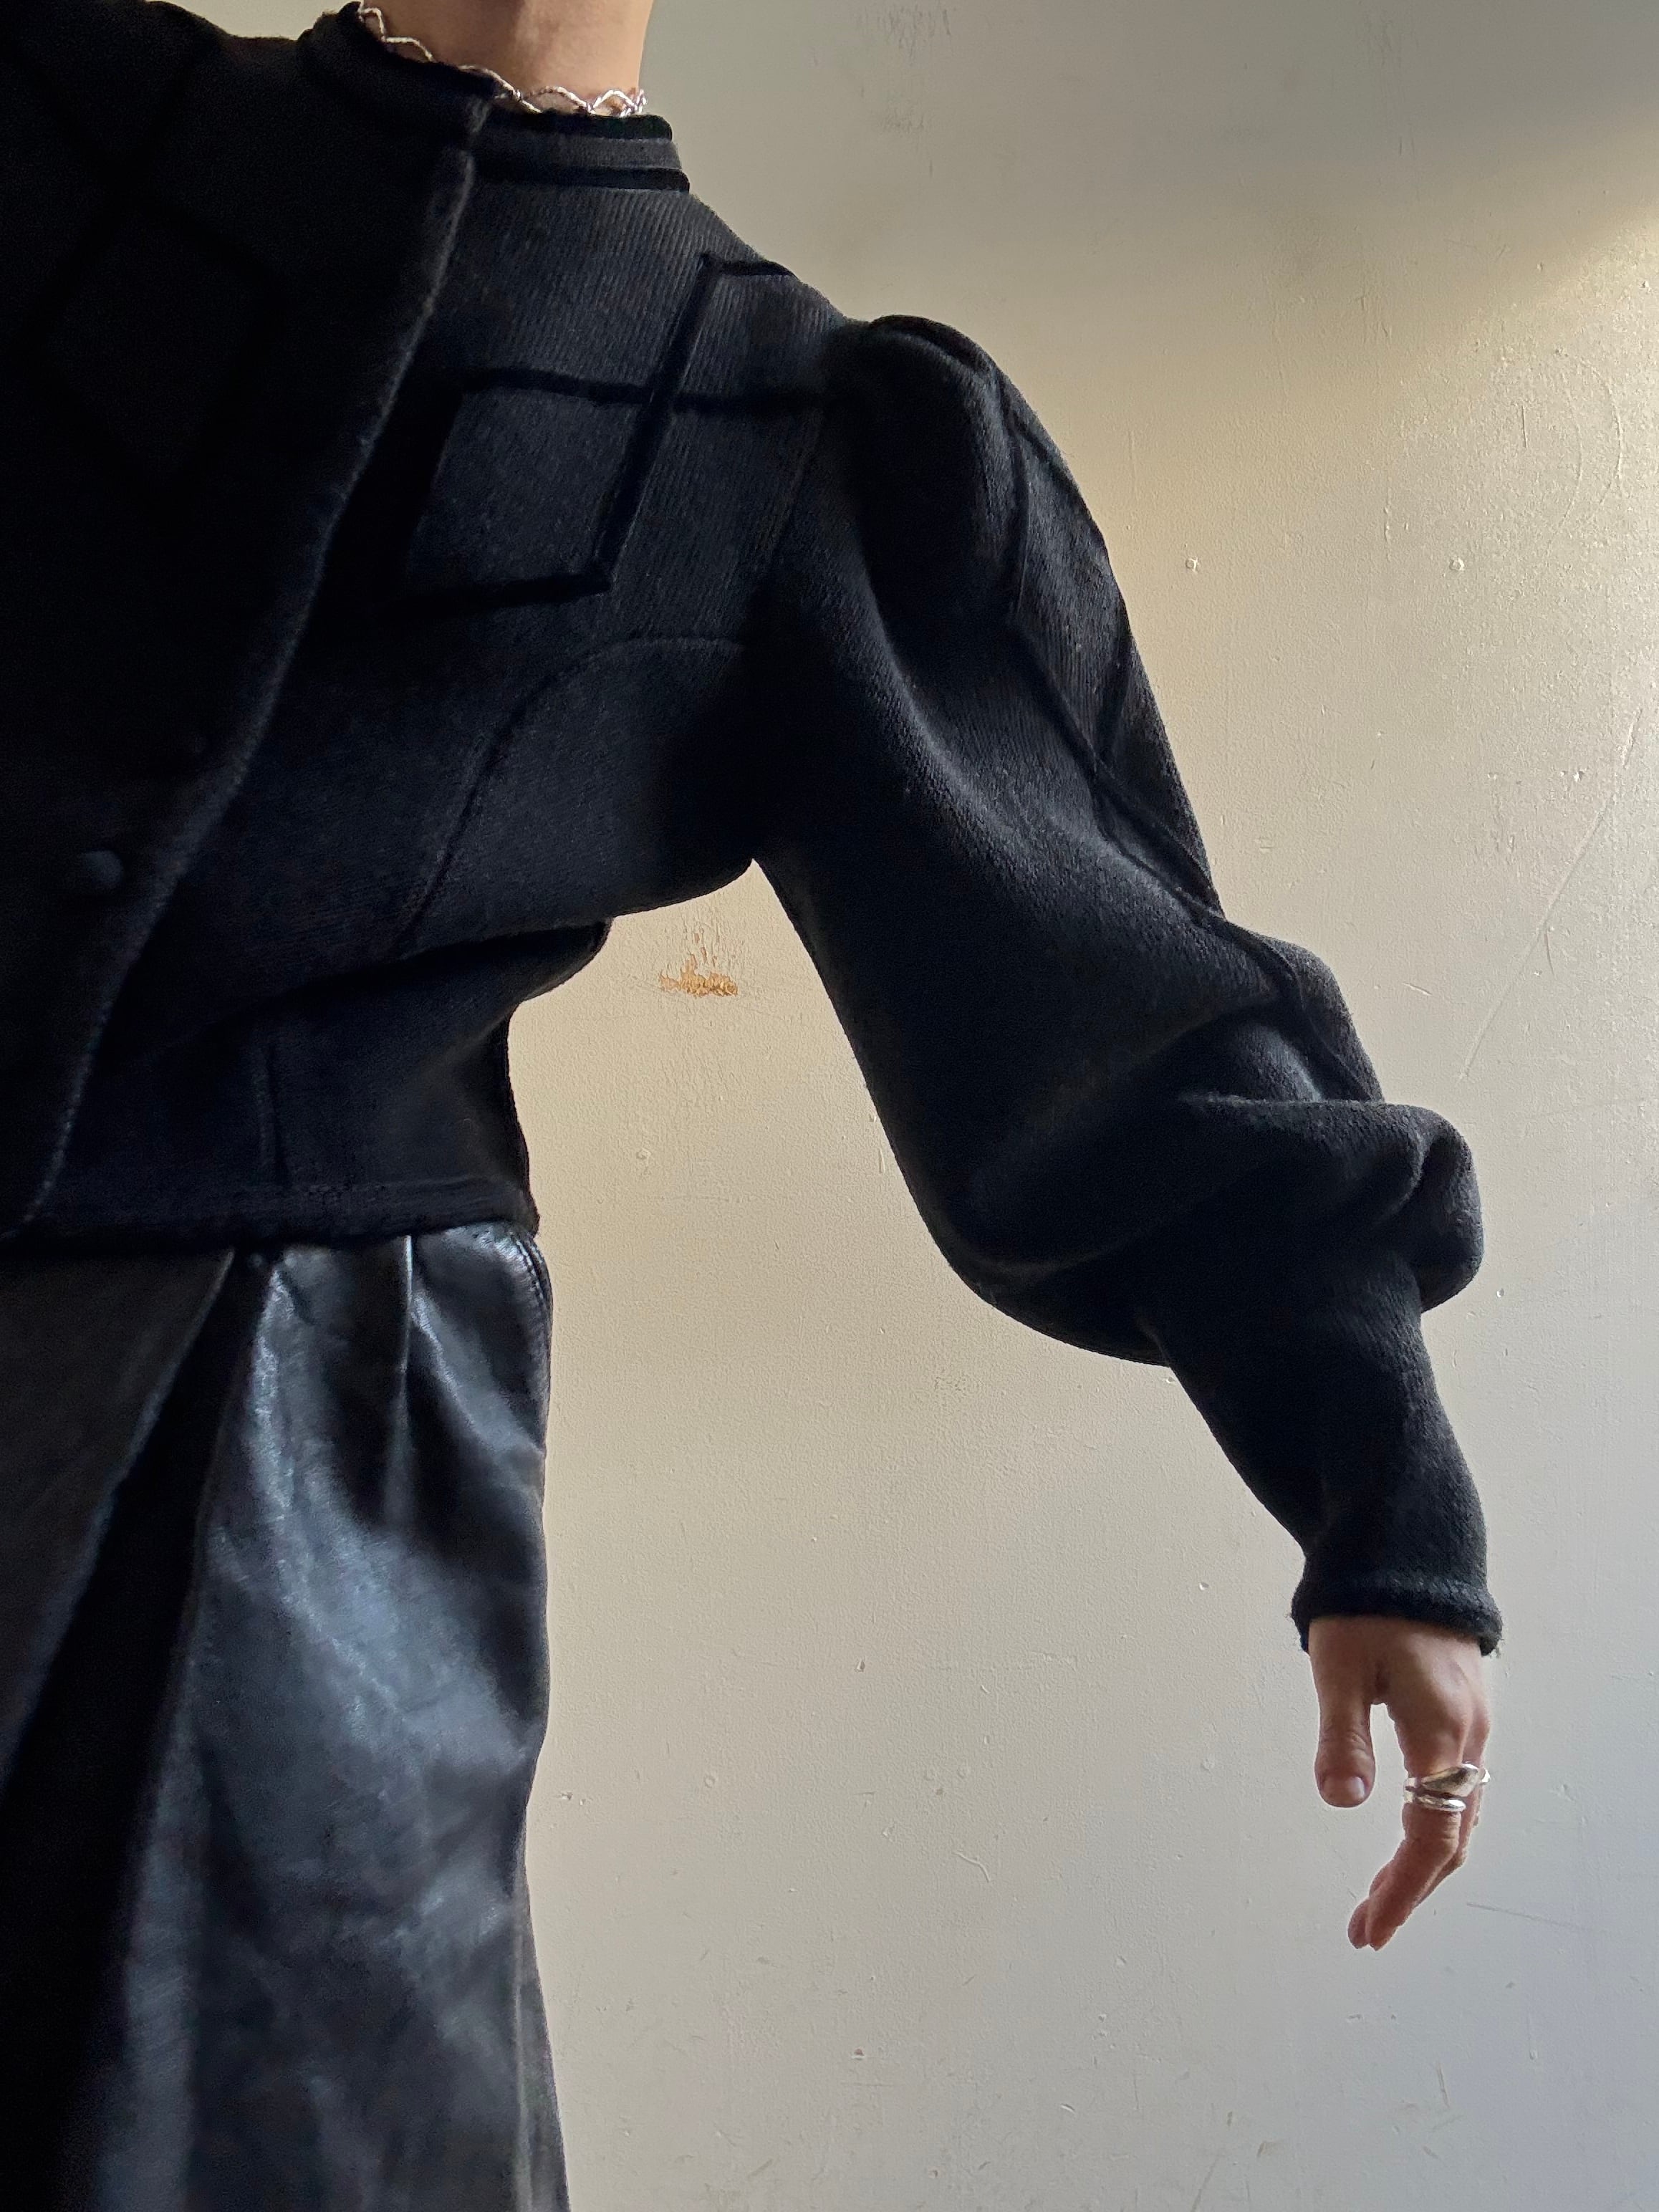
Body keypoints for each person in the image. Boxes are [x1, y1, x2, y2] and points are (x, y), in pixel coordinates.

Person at [0, 0, 1498, 2201]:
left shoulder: (800, 426)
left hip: (283, 1424)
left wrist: (1382, 1510)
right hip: (279, 1386)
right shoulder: (55, 130)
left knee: (241, 2122)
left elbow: (1101, 997)